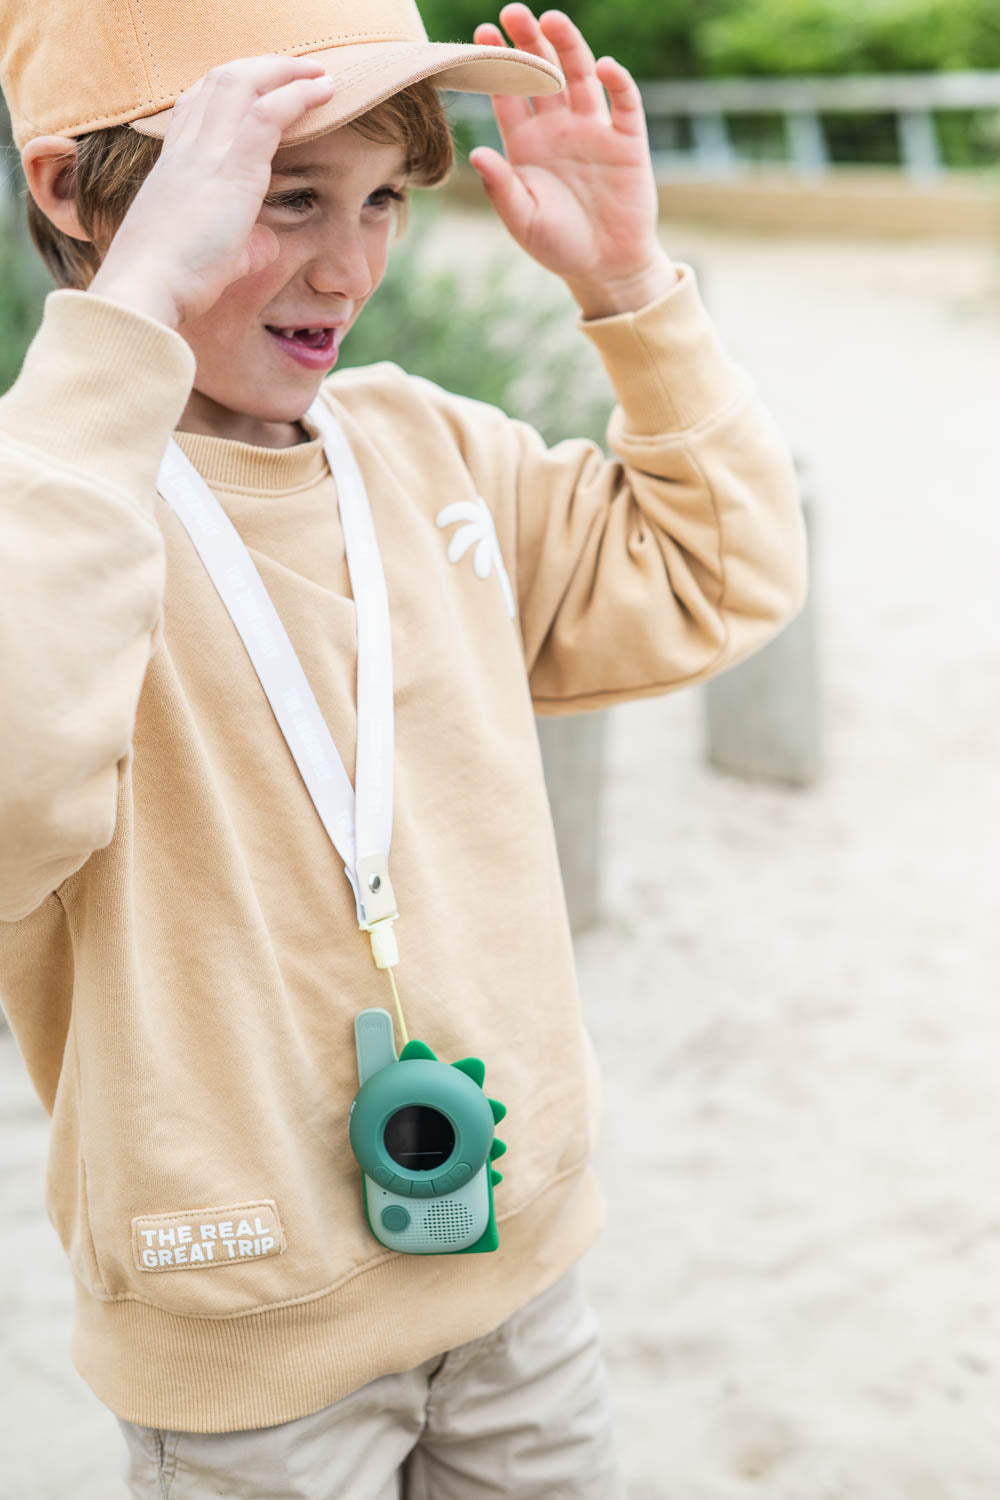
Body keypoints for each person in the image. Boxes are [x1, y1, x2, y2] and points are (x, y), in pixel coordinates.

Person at [0, 0, 807, 1492]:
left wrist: (630, 287)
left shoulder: (431, 449)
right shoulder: (50, 514)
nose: (349, 267)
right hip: (243, 1337)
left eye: (380, 199)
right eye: (279, 196)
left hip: (521, 1273)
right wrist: (129, 319)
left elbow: (722, 575)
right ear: (71, 193)